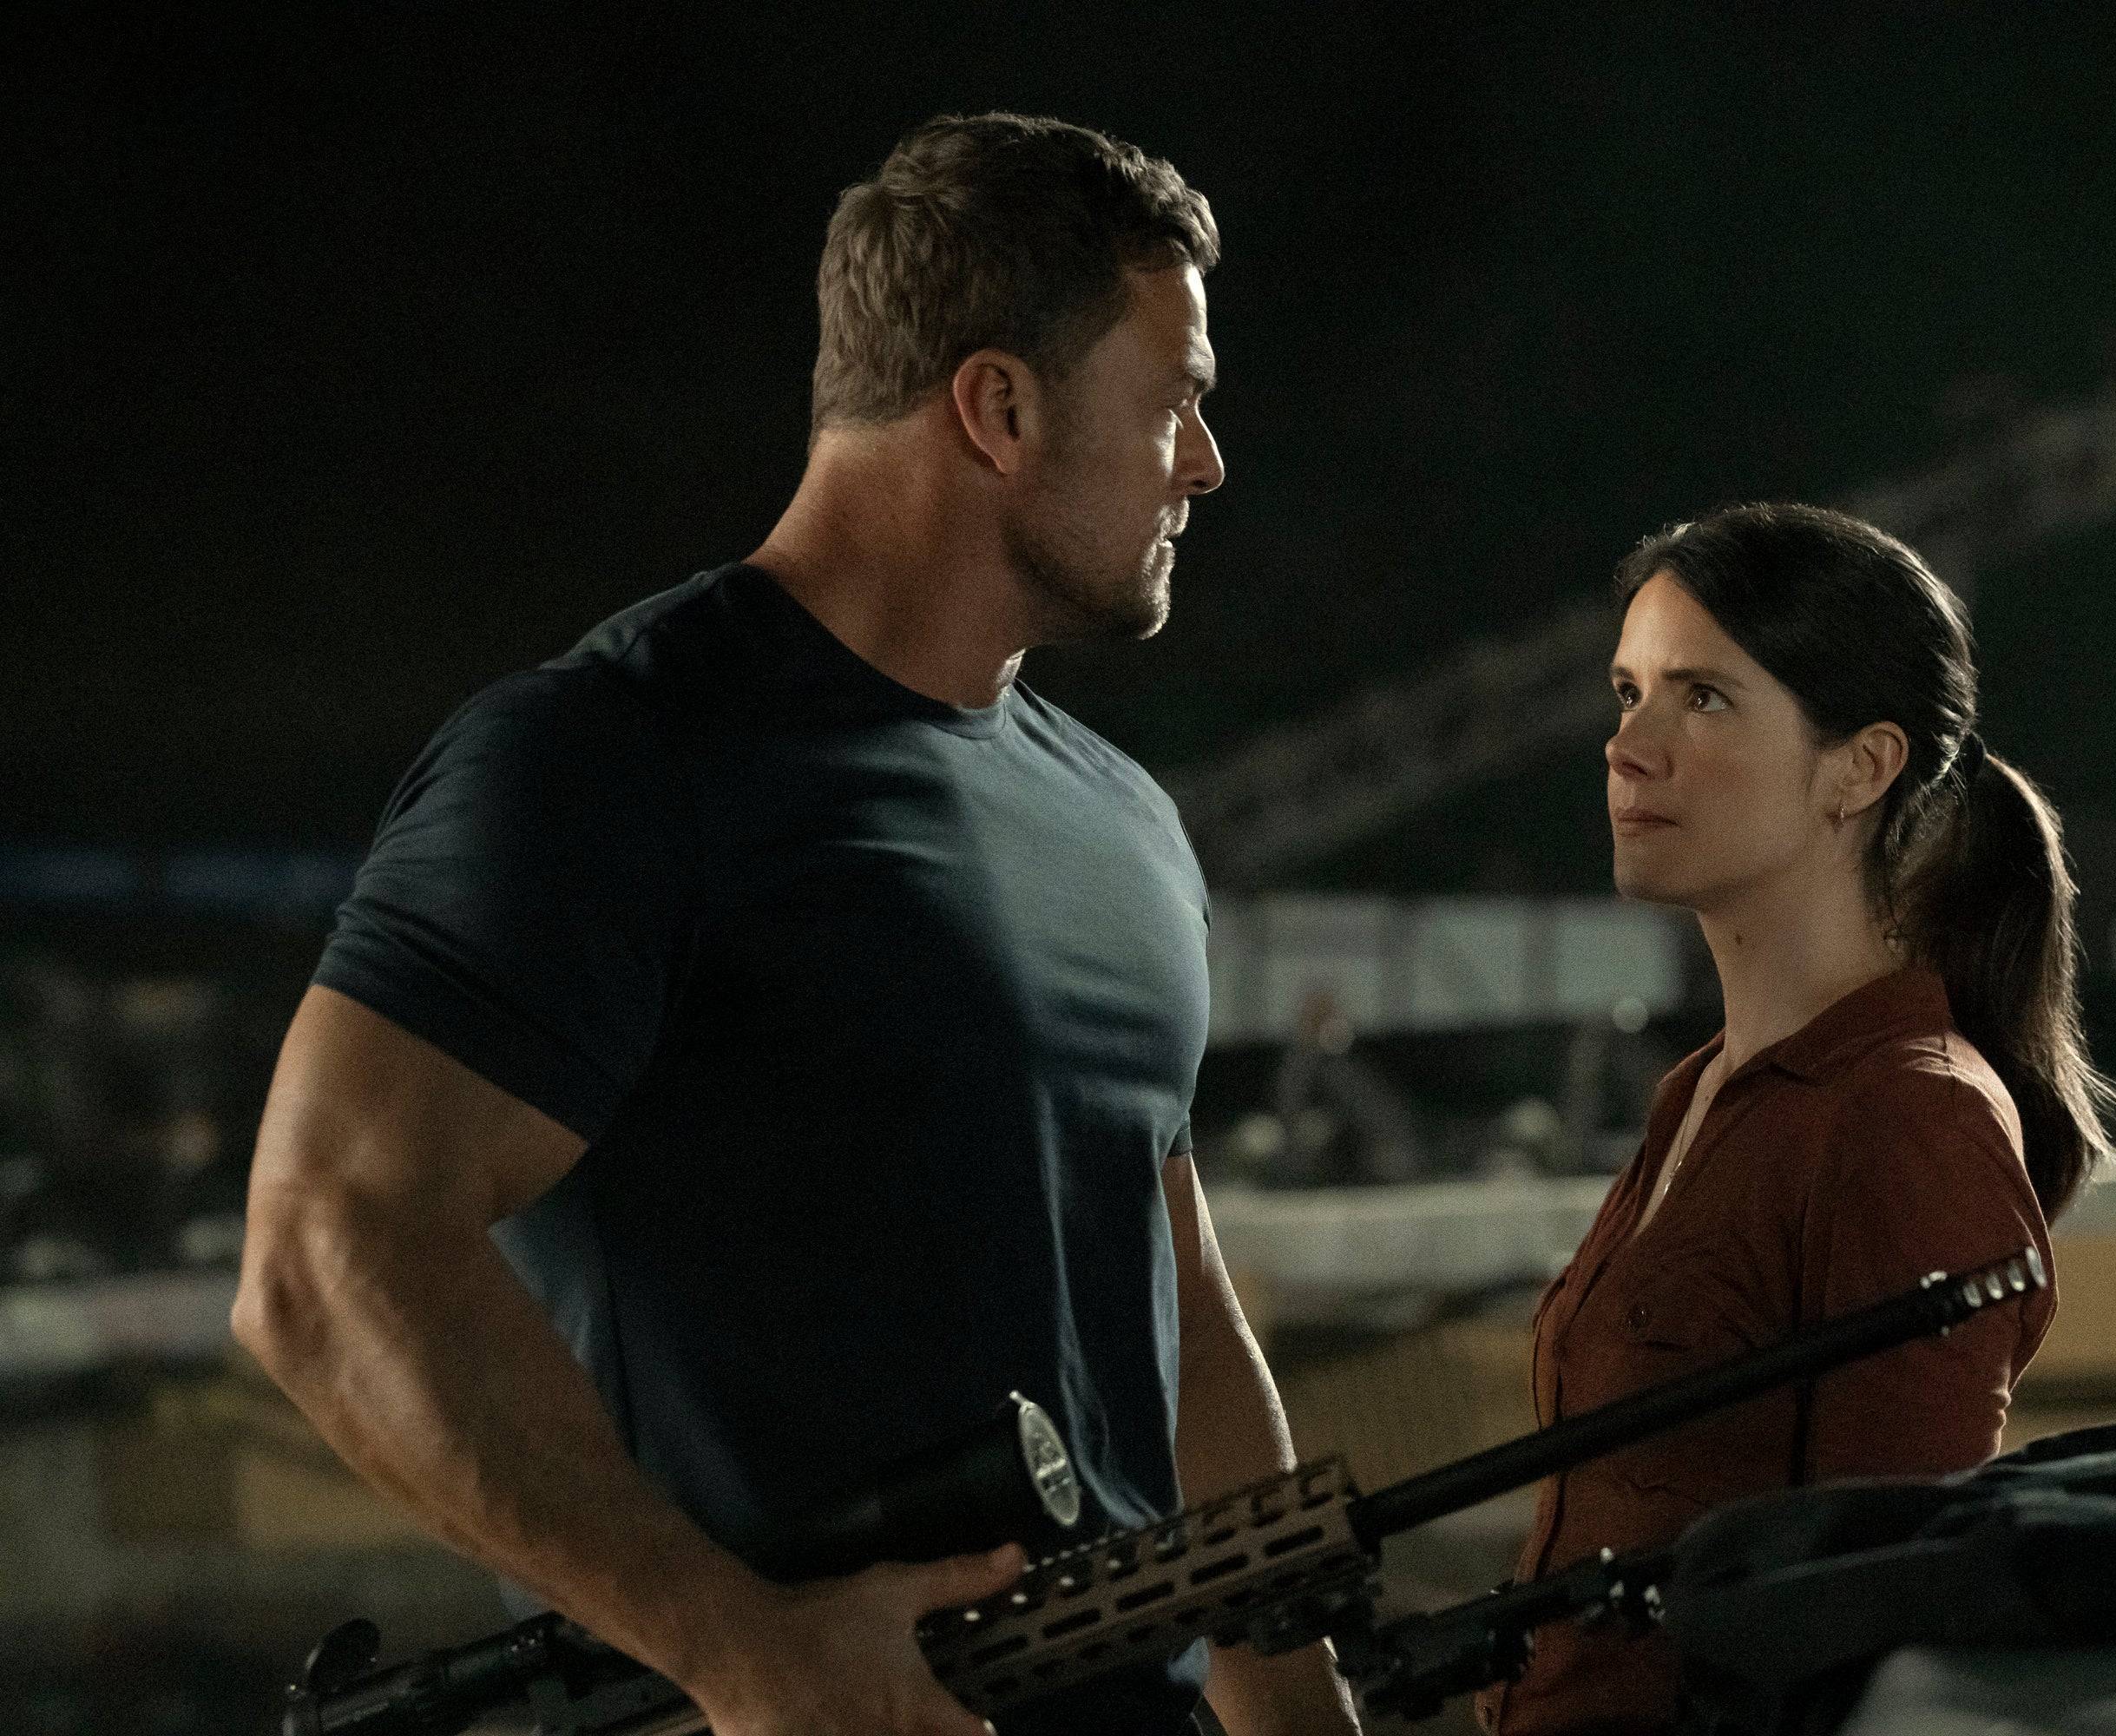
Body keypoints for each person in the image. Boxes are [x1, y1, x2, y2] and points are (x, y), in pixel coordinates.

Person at [233, 114, 1358, 1736]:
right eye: (1174, 397)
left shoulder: (1125, 822)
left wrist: (1299, 1717)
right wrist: (742, 1650)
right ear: (998, 408)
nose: (1205, 461)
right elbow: (327, 1251)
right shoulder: (614, 757)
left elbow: (1173, 1302)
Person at [1480, 503, 2116, 1736]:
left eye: (1703, 698)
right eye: (1628, 692)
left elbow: (1879, 1635)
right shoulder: (1701, 1091)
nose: (1628, 747)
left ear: (1861, 769)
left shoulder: (1910, 1118)